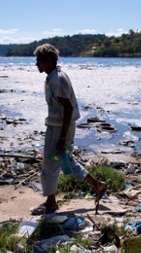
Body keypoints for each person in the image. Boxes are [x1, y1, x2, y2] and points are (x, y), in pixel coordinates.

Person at [31, 43, 107, 215]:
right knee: (66, 159)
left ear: (49, 60)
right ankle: (97, 185)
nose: (37, 64)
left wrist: (62, 138)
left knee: (49, 165)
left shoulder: (58, 79)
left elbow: (69, 108)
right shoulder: (53, 76)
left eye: (39, 60)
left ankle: (51, 203)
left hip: (59, 128)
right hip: (58, 126)